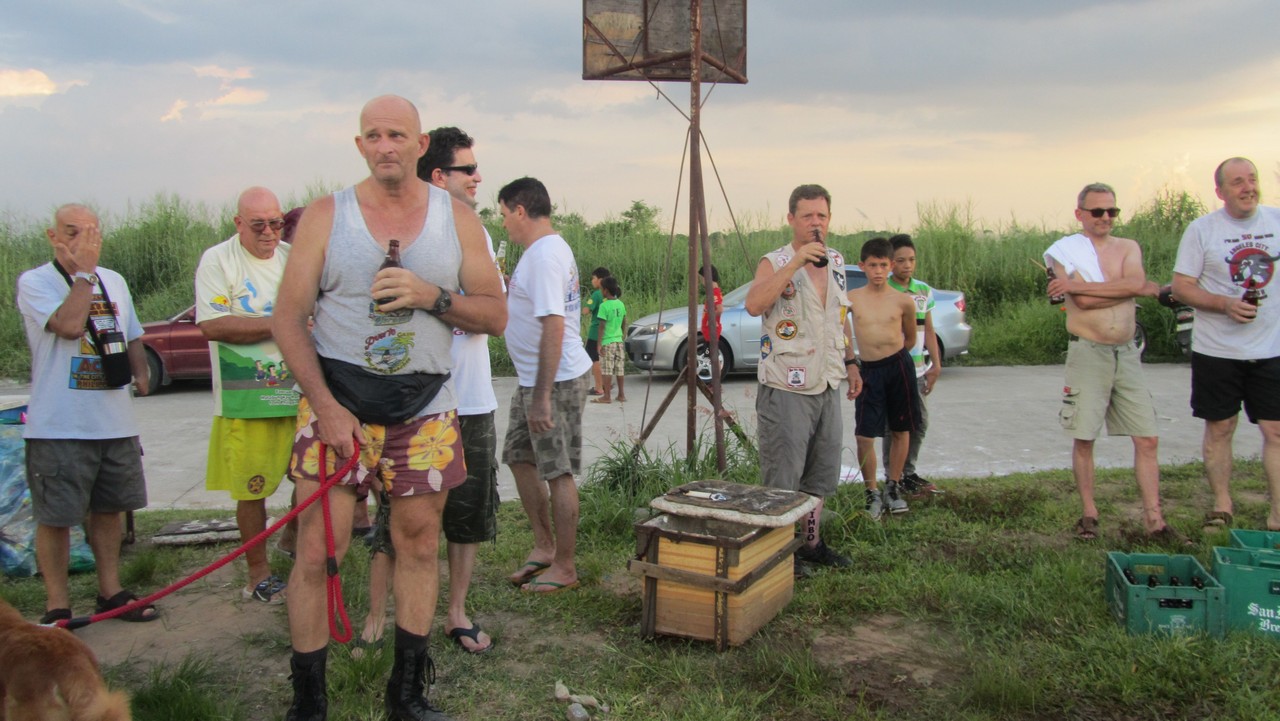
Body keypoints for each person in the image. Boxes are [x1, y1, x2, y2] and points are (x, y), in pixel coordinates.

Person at [273, 95, 506, 721]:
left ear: (420, 144)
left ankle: (407, 695)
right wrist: (324, 406)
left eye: (397, 134)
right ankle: (308, 702)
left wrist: (433, 296)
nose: (385, 146)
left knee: (420, 545)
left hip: (425, 409)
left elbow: (495, 313)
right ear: (359, 145)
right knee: (319, 549)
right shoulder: (327, 216)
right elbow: (288, 318)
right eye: (373, 135)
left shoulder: (457, 221)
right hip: (337, 407)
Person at [354, 125, 500, 655]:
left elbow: (492, 316)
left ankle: (456, 613)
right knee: (396, 516)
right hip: (410, 400)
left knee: (467, 515)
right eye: (468, 169)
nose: (478, 177)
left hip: (472, 397)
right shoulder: (394, 232)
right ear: (438, 175)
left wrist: (434, 297)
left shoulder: (474, 234)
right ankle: (377, 617)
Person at [16, 204, 159, 624]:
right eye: (73, 232)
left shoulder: (114, 280)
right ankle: (57, 606)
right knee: (56, 517)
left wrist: (141, 373)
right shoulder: (36, 282)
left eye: (92, 232)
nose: (83, 241)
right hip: (60, 423)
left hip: (113, 420)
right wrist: (84, 274)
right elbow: (69, 325)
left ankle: (110, 591)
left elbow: (131, 333)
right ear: (53, 236)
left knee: (110, 508)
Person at [1046, 183, 1182, 543]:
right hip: (1088, 352)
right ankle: (1089, 513)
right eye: (1097, 211)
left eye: (1112, 211)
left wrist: (1078, 286)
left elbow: (1131, 282)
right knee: (1085, 436)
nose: (1105, 217)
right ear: (1080, 214)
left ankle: (1155, 519)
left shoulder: (1128, 247)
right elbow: (1087, 304)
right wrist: (1130, 288)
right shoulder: (1065, 252)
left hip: (1127, 352)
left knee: (1147, 437)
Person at [744, 184, 862, 569]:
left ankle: (811, 544)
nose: (816, 223)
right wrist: (795, 264)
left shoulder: (836, 261)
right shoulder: (774, 261)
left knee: (820, 474)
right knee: (783, 476)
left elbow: (839, 316)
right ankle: (778, 553)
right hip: (785, 385)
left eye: (822, 216)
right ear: (791, 219)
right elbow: (754, 305)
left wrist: (851, 362)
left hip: (826, 380)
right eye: (808, 216)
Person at [194, 186, 297, 605]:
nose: (269, 233)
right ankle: (258, 574)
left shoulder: (293, 257)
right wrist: (282, 323)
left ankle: (292, 543)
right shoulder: (218, 260)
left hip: (299, 392)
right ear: (238, 223)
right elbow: (213, 324)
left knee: (312, 478)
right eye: (258, 225)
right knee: (252, 490)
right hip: (248, 399)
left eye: (276, 223)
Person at [1172, 157, 1280, 533]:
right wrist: (1224, 304)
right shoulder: (1202, 230)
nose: (1248, 187)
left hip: (1272, 349)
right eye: (1237, 182)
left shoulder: (1277, 221)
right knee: (1220, 428)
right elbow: (1181, 286)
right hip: (1217, 350)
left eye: (1252, 179)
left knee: (1276, 430)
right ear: (1220, 192)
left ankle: (1278, 514)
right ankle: (1222, 507)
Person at [499, 176, 593, 594]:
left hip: (555, 381)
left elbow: (554, 326)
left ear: (520, 211)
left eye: (504, 214)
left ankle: (566, 567)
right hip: (533, 379)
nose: (504, 223)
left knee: (558, 470)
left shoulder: (544, 256)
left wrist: (541, 398)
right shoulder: (542, 251)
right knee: (519, 457)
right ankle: (544, 546)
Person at [848, 237, 919, 520]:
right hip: (869, 370)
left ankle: (893, 486)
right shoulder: (852, 299)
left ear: (890, 266)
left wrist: (894, 358)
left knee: (901, 429)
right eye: (872, 265)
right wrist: (851, 364)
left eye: (882, 265)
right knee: (864, 435)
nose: (878, 271)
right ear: (862, 266)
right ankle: (872, 492)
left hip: (898, 366)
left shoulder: (903, 301)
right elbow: (840, 330)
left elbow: (910, 338)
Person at [883, 235, 945, 498]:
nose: (907, 265)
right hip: (893, 370)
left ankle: (908, 472)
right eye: (901, 260)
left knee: (919, 423)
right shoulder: (883, 290)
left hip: (917, 370)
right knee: (895, 427)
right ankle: (892, 478)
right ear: (890, 262)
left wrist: (936, 365)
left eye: (911, 260)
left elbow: (928, 329)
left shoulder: (922, 290)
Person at [591, 275, 627, 404]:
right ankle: (621, 395)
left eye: (601, 289)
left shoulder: (604, 306)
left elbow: (601, 326)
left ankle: (606, 396)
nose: (601, 291)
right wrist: (623, 334)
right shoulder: (620, 304)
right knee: (620, 368)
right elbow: (624, 321)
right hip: (619, 341)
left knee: (607, 369)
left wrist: (599, 344)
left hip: (607, 341)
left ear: (605, 290)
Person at [582, 267, 610, 396]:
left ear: (600, 280)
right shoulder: (611, 294)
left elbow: (586, 311)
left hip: (595, 331)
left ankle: (599, 387)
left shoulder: (597, 294)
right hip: (608, 331)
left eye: (593, 278)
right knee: (605, 357)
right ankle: (606, 384)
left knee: (594, 357)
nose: (592, 281)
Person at [697, 264, 724, 383]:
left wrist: (710, 320)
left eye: (701, 278)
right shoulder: (712, 292)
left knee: (712, 356)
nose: (701, 281)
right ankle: (715, 382)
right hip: (708, 332)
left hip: (711, 331)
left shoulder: (714, 292)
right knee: (711, 355)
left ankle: (716, 382)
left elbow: (720, 309)